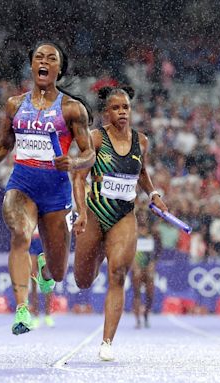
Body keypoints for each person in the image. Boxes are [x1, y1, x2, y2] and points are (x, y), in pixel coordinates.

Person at [0, 42, 95, 335]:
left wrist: (72, 163)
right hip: (23, 182)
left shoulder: (72, 109)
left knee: (57, 273)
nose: (44, 61)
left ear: (59, 68)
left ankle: (45, 267)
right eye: (39, 57)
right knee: (20, 234)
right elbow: (6, 143)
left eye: (51, 58)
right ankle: (22, 309)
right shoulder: (15, 104)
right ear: (32, 66)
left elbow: (90, 154)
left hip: (56, 191)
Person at [72, 85, 168, 361]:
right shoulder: (96, 139)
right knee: (83, 280)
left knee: (117, 275)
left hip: (124, 216)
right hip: (94, 213)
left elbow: (142, 173)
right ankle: (93, 253)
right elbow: (79, 177)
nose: (122, 112)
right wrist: (80, 212)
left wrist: (153, 193)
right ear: (106, 113)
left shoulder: (142, 141)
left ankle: (107, 342)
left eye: (125, 107)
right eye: (116, 108)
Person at [131, 213, 162, 329]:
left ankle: (146, 315)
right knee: (137, 294)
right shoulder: (133, 234)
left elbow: (159, 250)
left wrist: (153, 263)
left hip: (149, 266)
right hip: (137, 266)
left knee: (150, 294)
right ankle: (138, 320)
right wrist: (133, 263)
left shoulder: (153, 234)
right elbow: (129, 250)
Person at [28, 229, 55, 329]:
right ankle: (36, 315)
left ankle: (48, 314)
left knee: (47, 278)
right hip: (33, 240)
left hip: (45, 240)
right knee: (33, 278)